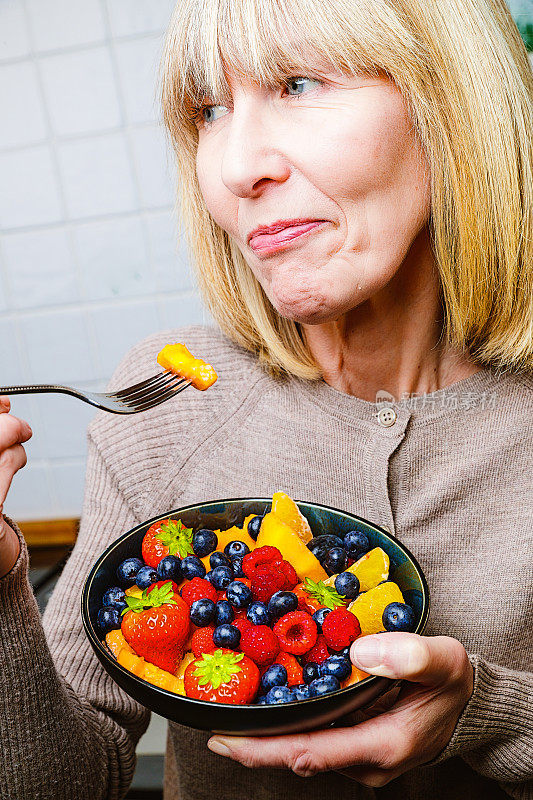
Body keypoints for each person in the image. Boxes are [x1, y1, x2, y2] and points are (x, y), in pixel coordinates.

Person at [0, 0, 531, 798]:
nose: (233, 167)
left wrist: (489, 717)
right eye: (209, 110)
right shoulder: (166, 399)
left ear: (451, 103)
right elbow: (61, 781)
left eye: (299, 82)